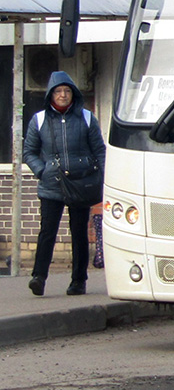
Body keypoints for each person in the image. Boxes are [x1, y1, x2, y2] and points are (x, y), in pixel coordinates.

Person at [22, 71, 106, 297]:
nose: (62, 95)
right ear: (51, 95)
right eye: (58, 91)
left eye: (67, 91)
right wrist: (42, 170)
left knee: (78, 233)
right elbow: (29, 152)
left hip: (81, 182)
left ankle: (79, 281)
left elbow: (99, 150)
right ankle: (38, 277)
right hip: (51, 185)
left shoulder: (87, 117)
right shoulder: (39, 119)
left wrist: (102, 178)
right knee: (47, 232)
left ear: (73, 94)